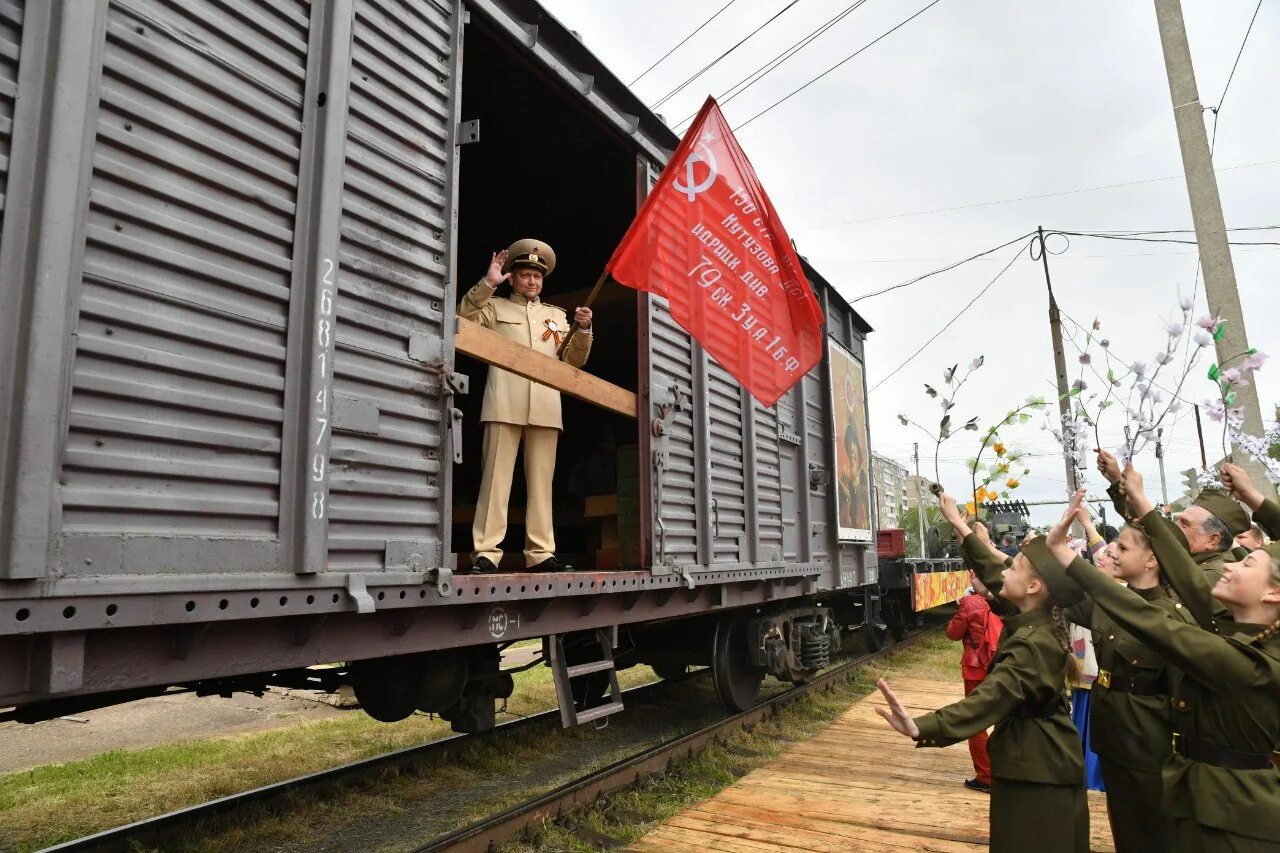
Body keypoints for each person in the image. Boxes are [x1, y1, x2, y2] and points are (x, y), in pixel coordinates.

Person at [1050, 479, 1280, 853]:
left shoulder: (1250, 661)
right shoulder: (1238, 631)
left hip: (1231, 812)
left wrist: (1063, 554)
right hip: (1197, 792)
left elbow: (1151, 618)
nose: (1228, 566)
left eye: (1246, 561)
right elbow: (1187, 578)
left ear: (1274, 593)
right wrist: (1139, 502)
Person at [876, 492, 1089, 853]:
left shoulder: (1032, 644)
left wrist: (922, 726)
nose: (1004, 571)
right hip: (1041, 761)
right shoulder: (1037, 616)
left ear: (1033, 587)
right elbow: (992, 569)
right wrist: (959, 525)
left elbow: (990, 698)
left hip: (1035, 771)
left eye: (1014, 568)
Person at [1064, 505, 1196, 852]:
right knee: (1125, 827)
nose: (1113, 553)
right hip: (1113, 735)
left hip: (1151, 744)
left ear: (1151, 560)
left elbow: (1186, 696)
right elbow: (1053, 592)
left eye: (1123, 548)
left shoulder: (1173, 617)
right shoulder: (1111, 601)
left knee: (1156, 831)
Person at [457, 241, 594, 574]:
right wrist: (488, 283)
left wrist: (584, 329)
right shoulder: (495, 307)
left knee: (542, 485)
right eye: (525, 275)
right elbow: (463, 319)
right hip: (503, 403)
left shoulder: (556, 316)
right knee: (495, 482)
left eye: (537, 276)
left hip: (545, 407)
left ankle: (541, 553)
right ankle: (486, 552)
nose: (532, 281)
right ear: (513, 278)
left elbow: (573, 361)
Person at [1097, 449, 1249, 587]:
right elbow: (1147, 529)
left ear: (1212, 540)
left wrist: (1139, 498)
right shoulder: (1187, 556)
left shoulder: (1218, 574)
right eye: (1179, 519)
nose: (1175, 526)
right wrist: (1116, 479)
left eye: (1185, 524)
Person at [946, 570, 1004, 793]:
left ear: (974, 578)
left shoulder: (970, 602)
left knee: (976, 722)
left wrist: (961, 607)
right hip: (1000, 666)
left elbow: (953, 633)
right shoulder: (1007, 599)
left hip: (976, 669)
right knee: (1003, 718)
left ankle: (985, 776)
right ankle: (1005, 771)